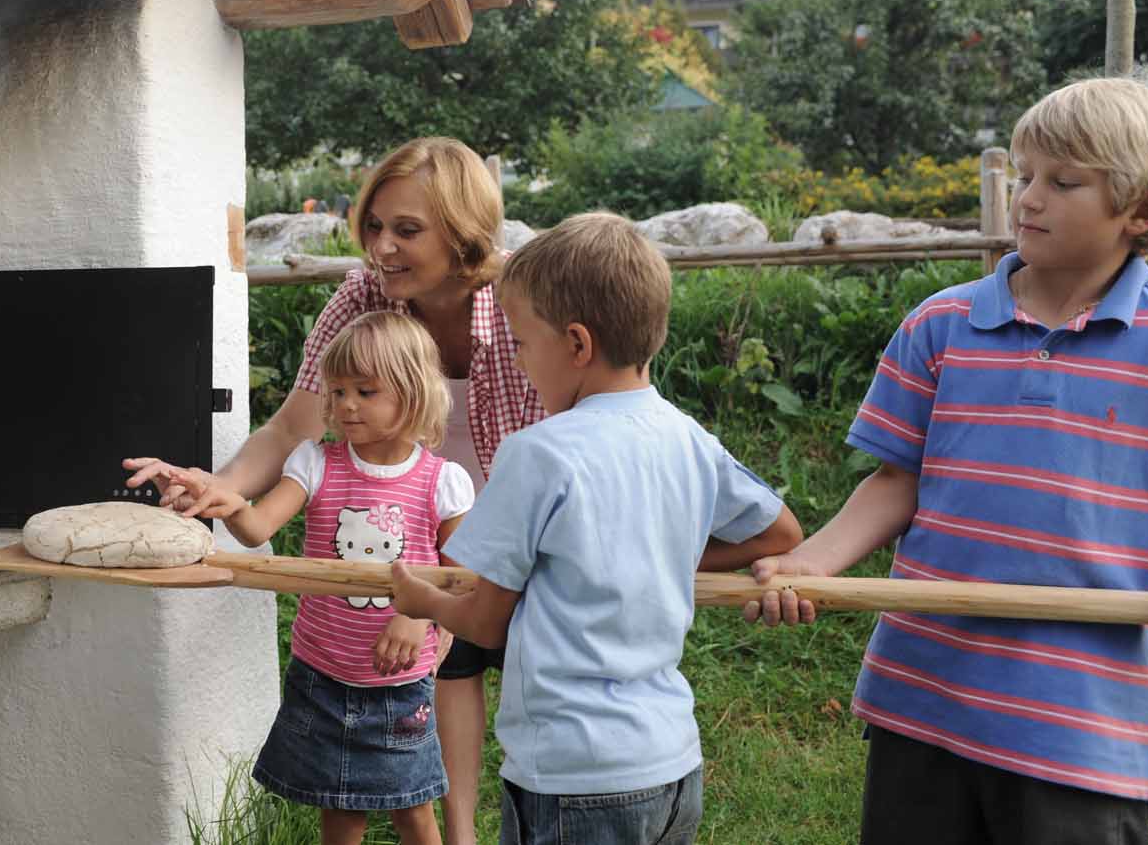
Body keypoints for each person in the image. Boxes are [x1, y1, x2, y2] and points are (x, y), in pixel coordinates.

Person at [744, 77, 1148, 843]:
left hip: (1083, 721)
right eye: (1027, 174)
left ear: (1143, 211)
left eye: (1063, 182)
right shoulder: (944, 324)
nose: (1028, 198)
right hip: (926, 693)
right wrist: (813, 561)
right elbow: (896, 480)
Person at [126, 136, 540, 845]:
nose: (382, 247)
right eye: (374, 225)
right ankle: (462, 834)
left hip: (518, 511)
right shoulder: (363, 297)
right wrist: (218, 488)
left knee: (535, 683)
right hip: (417, 520)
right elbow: (293, 426)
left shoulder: (522, 297)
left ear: (464, 231)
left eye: (407, 230)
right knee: (449, 671)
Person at [389, 212, 804, 845]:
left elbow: (485, 621)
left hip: (573, 774)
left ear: (577, 345)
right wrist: (669, 550)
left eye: (523, 344)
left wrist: (421, 600)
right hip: (673, 764)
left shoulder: (539, 453)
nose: (520, 362)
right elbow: (779, 531)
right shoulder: (687, 437)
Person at [161, 311, 475, 845]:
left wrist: (413, 615)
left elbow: (462, 576)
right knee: (339, 809)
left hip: (399, 685)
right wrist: (229, 500)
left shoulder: (442, 482)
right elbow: (259, 527)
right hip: (322, 675)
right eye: (338, 390)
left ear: (413, 393)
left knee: (414, 810)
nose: (347, 404)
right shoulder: (315, 462)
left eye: (366, 391)